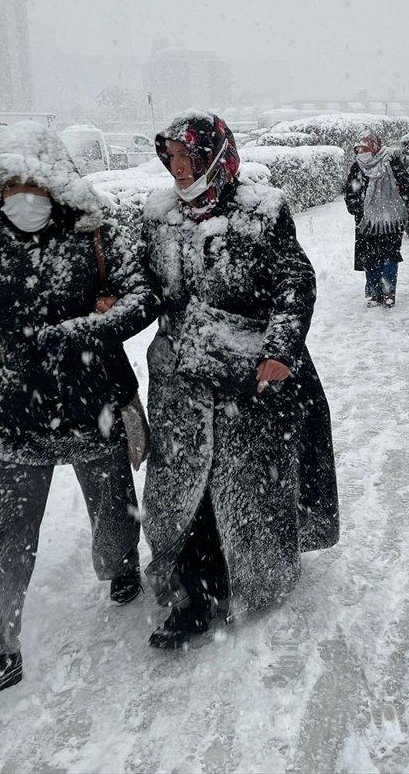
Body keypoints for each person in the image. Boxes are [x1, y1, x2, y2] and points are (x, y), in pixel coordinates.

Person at [0, 122, 156, 704]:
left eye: (34, 188)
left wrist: (91, 328)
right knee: (7, 534)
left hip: (94, 402)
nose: (24, 201)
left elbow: (144, 296)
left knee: (113, 507)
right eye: (11, 189)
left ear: (57, 188)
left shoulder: (96, 236)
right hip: (18, 411)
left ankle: (120, 567)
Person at [140, 111, 338, 650]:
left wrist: (279, 350)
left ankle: (249, 576)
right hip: (182, 385)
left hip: (249, 386)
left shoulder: (260, 214)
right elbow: (149, 289)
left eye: (188, 156)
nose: (178, 168)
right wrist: (107, 316)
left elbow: (295, 283)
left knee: (245, 489)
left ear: (214, 157)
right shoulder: (161, 220)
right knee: (188, 489)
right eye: (171, 157)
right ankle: (193, 598)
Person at [344, 131, 409, 307]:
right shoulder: (357, 167)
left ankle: (389, 291)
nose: (362, 152)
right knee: (370, 258)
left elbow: (406, 187)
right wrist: (358, 209)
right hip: (366, 222)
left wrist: (399, 194)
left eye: (365, 148)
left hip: (390, 220)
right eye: (358, 149)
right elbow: (350, 193)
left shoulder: (390, 162)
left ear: (374, 146)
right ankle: (375, 293)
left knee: (389, 256)